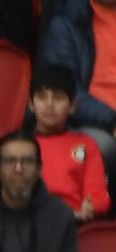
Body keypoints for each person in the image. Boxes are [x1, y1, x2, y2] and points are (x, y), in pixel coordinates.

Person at [39, 0, 116, 171]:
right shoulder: (66, 23)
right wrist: (111, 120)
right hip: (93, 122)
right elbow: (63, 88)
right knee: (103, 146)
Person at [30, 65, 111, 223]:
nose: (49, 104)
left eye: (58, 97)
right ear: (30, 104)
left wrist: (91, 207)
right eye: (42, 97)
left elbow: (98, 197)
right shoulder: (18, 145)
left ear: (72, 106)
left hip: (75, 225)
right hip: (30, 225)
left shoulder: (86, 144)